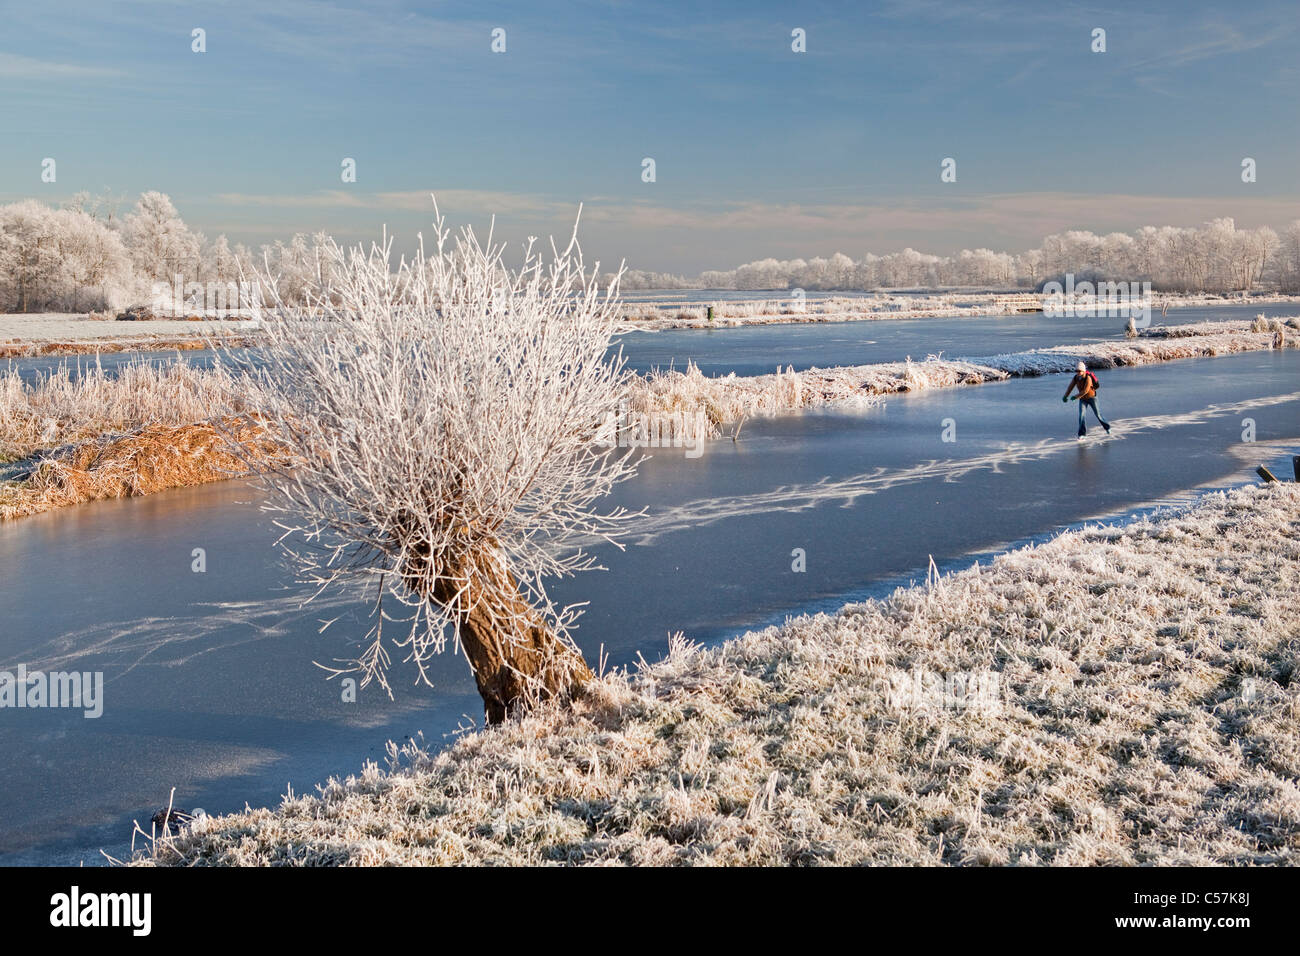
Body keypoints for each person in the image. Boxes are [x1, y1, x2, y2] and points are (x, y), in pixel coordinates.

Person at [1062, 361, 1110, 438]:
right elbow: (1070, 387)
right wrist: (1065, 396)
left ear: (1083, 371)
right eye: (1076, 371)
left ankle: (1107, 427)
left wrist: (1075, 397)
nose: (1077, 372)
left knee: (1098, 415)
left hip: (1092, 398)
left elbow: (1086, 391)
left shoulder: (1088, 378)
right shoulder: (1076, 378)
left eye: (1079, 371)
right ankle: (1082, 434)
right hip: (1083, 399)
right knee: (1081, 416)